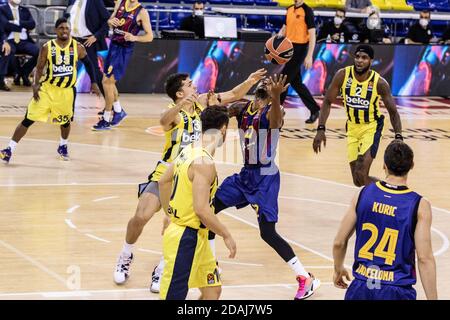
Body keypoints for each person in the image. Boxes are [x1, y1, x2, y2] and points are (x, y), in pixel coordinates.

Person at [112, 69, 266, 292]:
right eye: (189, 84)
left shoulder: (203, 102)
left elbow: (232, 94)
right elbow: (163, 121)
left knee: (181, 222)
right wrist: (181, 104)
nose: (195, 85)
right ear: (179, 92)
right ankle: (126, 253)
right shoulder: (173, 112)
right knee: (141, 215)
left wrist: (249, 81)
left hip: (190, 172)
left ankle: (163, 267)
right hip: (167, 171)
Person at [211, 74, 321, 300]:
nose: (266, 84)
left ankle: (305, 278)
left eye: (271, 84)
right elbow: (218, 109)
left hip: (265, 178)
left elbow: (275, 122)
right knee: (208, 211)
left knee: (267, 233)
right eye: (265, 82)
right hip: (245, 175)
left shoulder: (274, 112)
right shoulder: (243, 108)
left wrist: (277, 97)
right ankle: (210, 266)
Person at [333, 140, 438, 300]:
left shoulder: (362, 194)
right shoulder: (419, 205)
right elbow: (424, 258)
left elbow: (339, 242)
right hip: (396, 290)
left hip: (361, 287)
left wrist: (338, 268)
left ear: (384, 165)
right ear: (412, 165)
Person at [158, 106, 236, 300]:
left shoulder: (188, 151)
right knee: (174, 296)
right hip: (186, 237)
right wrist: (225, 234)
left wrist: (170, 213)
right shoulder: (203, 162)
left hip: (197, 236)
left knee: (212, 290)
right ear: (224, 129)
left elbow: (163, 181)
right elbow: (201, 209)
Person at [0, 18, 100, 164]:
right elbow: (40, 68)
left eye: (67, 28)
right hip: (47, 89)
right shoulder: (48, 47)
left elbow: (89, 64)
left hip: (66, 92)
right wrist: (35, 84)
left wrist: (94, 82)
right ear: (55, 30)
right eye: (61, 28)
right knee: (28, 119)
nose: (64, 30)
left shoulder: (77, 47)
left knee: (65, 122)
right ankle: (9, 150)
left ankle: (63, 146)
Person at [313, 45, 402, 187]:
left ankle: (391, 192)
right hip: (352, 127)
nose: (360, 60)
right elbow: (327, 101)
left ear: (371, 61)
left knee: (361, 172)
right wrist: (320, 129)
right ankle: (388, 187)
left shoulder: (379, 83)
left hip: (371, 127)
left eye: (364, 58)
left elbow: (393, 112)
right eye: (358, 57)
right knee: (358, 180)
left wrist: (398, 137)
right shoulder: (342, 75)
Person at [92, 0, 153, 131]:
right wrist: (110, 21)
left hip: (124, 50)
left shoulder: (142, 12)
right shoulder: (120, 2)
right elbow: (111, 18)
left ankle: (107, 118)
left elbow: (150, 37)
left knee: (107, 82)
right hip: (113, 45)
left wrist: (134, 38)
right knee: (109, 82)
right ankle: (119, 111)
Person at [277, 0, 320, 124]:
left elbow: (312, 34)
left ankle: (276, 112)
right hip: (289, 47)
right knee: (296, 83)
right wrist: (276, 41)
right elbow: (284, 28)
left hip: (300, 49)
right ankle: (314, 109)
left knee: (283, 80)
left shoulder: (307, 11)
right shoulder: (289, 9)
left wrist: (309, 56)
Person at [65, 0, 110, 98]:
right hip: (72, 41)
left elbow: (108, 21)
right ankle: (63, 105)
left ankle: (112, 104)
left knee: (95, 72)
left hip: (87, 41)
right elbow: (67, 17)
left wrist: (96, 36)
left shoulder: (95, 1)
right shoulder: (72, 1)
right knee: (65, 70)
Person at [0, 0, 39, 90]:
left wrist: (17, 22)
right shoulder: (2, 9)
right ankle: (1, 81)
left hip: (24, 41)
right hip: (9, 40)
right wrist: (22, 27)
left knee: (39, 52)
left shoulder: (24, 10)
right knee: (7, 51)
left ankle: (24, 73)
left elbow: (32, 24)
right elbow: (4, 25)